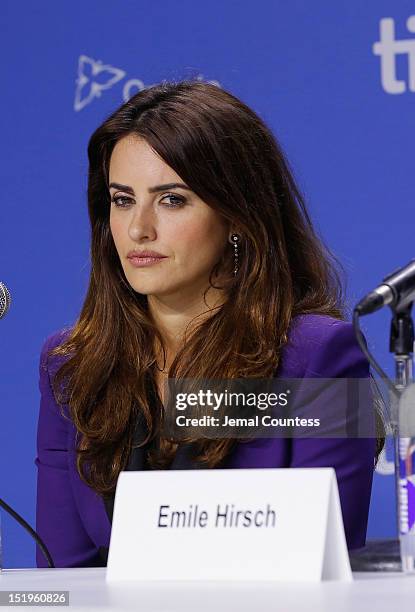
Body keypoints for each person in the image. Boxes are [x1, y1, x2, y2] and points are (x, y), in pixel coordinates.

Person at [35, 79, 384, 568]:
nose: (139, 229)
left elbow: (324, 567)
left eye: (172, 199)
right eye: (122, 199)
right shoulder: (72, 367)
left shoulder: (318, 358)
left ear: (237, 215)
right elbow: (60, 575)